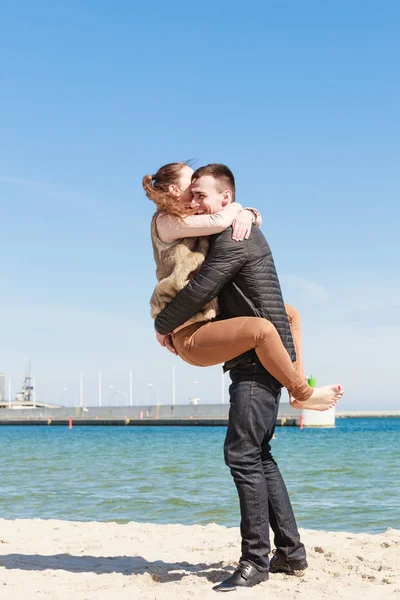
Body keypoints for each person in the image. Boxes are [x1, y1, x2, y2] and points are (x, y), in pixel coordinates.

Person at [149, 163, 343, 591]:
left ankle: (255, 561)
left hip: (257, 362)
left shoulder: (236, 238)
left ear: (225, 197)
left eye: (202, 194)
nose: (195, 202)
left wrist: (162, 325)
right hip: (256, 359)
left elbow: (201, 289)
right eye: (191, 193)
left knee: (241, 454)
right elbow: (287, 315)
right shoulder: (227, 228)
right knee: (257, 453)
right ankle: (290, 554)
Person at [144, 162, 343, 410]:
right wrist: (239, 208)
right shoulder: (165, 222)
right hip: (188, 331)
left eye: (199, 191)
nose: (195, 190)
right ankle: (302, 392)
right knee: (262, 329)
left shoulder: (192, 217)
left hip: (208, 321)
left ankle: (296, 389)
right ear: (175, 190)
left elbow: (228, 217)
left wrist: (250, 214)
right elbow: (220, 219)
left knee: (290, 314)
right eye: (191, 186)